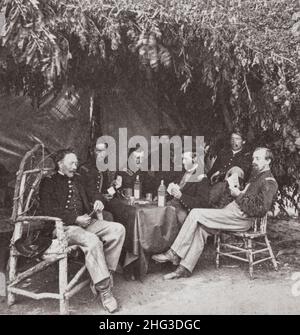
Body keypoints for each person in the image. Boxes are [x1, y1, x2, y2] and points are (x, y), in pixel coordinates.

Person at [152, 147, 278, 280]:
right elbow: (249, 198)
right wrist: (237, 191)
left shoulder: (269, 181)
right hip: (233, 212)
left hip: (241, 217)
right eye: (253, 158)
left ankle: (174, 253)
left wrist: (238, 196)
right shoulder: (256, 176)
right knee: (201, 228)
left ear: (268, 161)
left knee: (195, 213)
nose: (253, 161)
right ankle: (184, 269)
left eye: (257, 158)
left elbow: (260, 209)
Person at [39, 149, 125, 313]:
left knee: (118, 229)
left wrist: (98, 201)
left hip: (86, 223)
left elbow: (94, 193)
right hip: (63, 228)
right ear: (60, 164)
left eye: (76, 163)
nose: (75, 166)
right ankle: (105, 291)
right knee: (92, 240)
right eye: (71, 163)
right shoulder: (49, 182)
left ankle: (102, 274)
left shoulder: (78, 179)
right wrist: (75, 219)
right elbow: (48, 210)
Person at [80, 139, 121, 220]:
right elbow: (89, 194)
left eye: (104, 151)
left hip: (101, 204)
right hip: (88, 208)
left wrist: (115, 187)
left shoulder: (103, 169)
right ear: (92, 152)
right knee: (108, 216)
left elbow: (106, 191)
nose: (101, 154)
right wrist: (103, 197)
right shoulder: (84, 169)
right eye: (98, 151)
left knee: (120, 211)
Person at [167, 151, 210, 226]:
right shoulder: (182, 172)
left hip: (184, 211)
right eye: (182, 159)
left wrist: (181, 196)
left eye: (186, 159)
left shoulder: (202, 177)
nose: (183, 162)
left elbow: (202, 203)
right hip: (170, 204)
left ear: (195, 159)